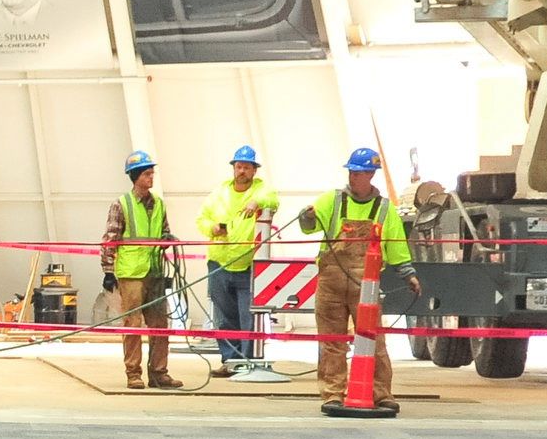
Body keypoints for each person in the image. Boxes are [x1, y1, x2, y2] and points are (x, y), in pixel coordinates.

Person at [297, 147, 417, 400]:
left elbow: (396, 245)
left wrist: (408, 274)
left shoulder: (384, 209)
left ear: (371, 174)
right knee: (332, 342)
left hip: (367, 284)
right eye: (352, 172)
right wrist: (306, 217)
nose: (353, 177)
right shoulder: (332, 200)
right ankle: (333, 394)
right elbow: (309, 226)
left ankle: (380, 393)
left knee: (374, 342)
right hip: (331, 283)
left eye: (359, 172)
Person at [195, 145, 281, 375]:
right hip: (219, 262)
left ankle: (247, 361)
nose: (241, 171)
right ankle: (231, 361)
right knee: (224, 316)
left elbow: (272, 199)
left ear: (254, 171)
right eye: (238, 166)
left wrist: (256, 202)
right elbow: (202, 219)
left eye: (246, 167)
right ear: (233, 168)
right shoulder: (219, 193)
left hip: (248, 264)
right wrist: (212, 228)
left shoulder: (261, 190)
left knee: (248, 316)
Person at [101, 150, 181, 392]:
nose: (151, 177)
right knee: (133, 324)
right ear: (135, 176)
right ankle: (133, 374)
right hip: (131, 274)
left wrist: (169, 239)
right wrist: (107, 270)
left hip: (155, 272)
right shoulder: (121, 204)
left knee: (160, 324)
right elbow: (111, 238)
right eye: (147, 173)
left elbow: (163, 231)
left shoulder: (158, 204)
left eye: (152, 173)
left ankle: (159, 373)